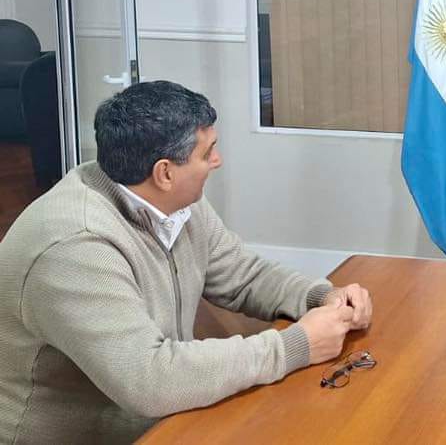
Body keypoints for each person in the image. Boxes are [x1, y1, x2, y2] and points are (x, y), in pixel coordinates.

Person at [0, 80, 372, 444]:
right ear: (165, 172)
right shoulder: (74, 247)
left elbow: (242, 276)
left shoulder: (173, 199)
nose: (217, 160)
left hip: (159, 418)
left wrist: (321, 296)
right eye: (207, 152)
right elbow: (150, 380)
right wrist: (294, 345)